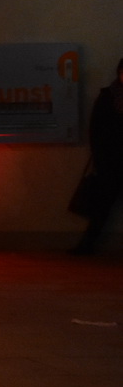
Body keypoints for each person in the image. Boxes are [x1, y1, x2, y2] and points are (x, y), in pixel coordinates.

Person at [72, 57, 123, 254]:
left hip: (110, 160)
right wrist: (101, 158)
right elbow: (96, 130)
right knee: (102, 206)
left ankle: (86, 246)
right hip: (111, 161)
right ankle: (86, 246)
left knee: (103, 206)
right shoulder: (107, 97)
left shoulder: (108, 97)